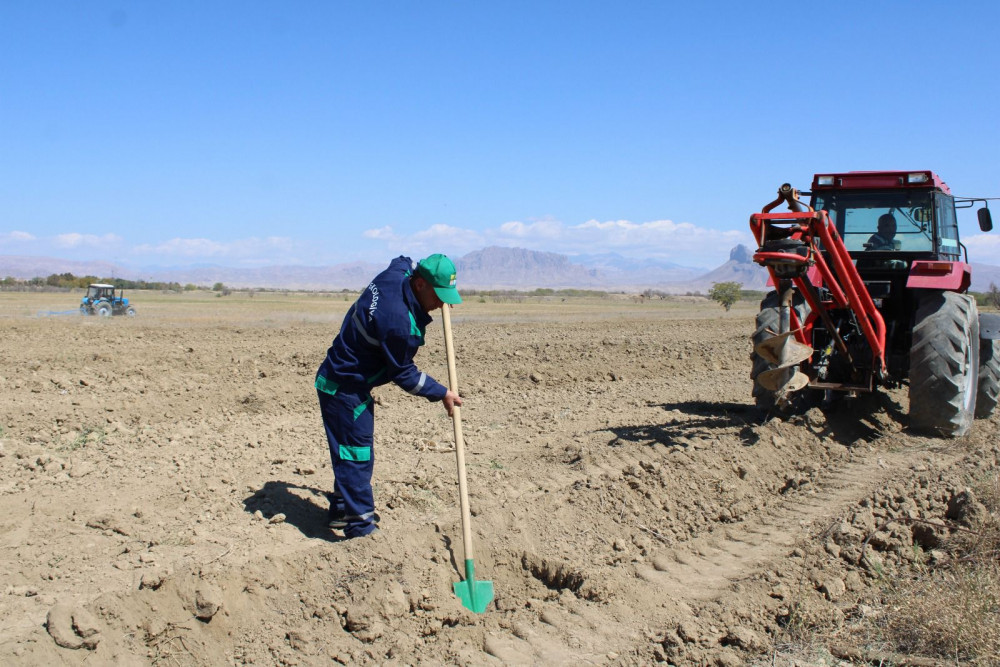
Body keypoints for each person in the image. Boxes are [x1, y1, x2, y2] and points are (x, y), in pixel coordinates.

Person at [315, 254, 463, 538]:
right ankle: (360, 528)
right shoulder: (398, 323)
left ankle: (342, 510)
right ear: (419, 285)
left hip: (347, 380)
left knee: (350, 450)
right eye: (439, 296)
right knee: (356, 455)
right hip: (344, 387)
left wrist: (436, 278)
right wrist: (442, 392)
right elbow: (404, 373)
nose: (443, 304)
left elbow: (402, 259)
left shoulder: (397, 274)